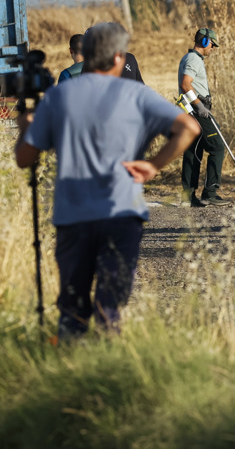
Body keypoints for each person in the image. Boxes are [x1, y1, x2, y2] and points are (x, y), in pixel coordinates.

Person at [14, 22, 200, 339]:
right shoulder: (137, 94)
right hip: (121, 213)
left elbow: (24, 158)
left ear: (83, 56)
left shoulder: (60, 95)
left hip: (73, 215)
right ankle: (106, 356)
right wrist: (153, 165)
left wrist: (25, 125)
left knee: (72, 304)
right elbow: (188, 128)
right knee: (110, 304)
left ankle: (71, 361)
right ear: (119, 58)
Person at [178, 27, 228, 207]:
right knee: (217, 147)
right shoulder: (194, 59)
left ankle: (188, 196)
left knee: (193, 152)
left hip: (190, 111)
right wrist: (199, 105)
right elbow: (186, 84)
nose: (212, 49)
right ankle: (210, 192)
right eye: (212, 45)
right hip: (197, 111)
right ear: (205, 42)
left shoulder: (189, 58)